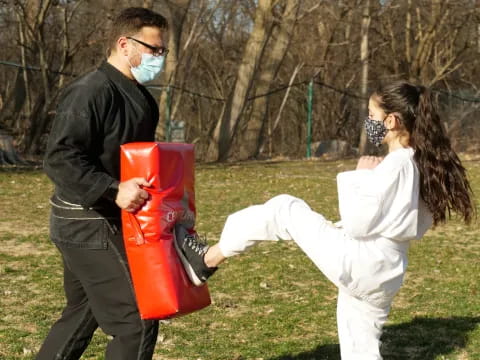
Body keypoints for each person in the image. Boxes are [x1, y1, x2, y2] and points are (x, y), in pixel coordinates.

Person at [174, 81, 475, 359]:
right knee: (360, 342)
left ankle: (207, 260)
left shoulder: (394, 166)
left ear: (392, 121)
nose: (368, 121)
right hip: (388, 271)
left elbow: (359, 223)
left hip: (361, 262)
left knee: (284, 209)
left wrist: (361, 176)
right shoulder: (420, 162)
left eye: (372, 115)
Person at [38, 8, 169, 360]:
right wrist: (114, 190)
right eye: (153, 49)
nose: (159, 58)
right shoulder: (89, 92)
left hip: (112, 219)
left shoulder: (143, 99)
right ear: (124, 44)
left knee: (83, 314)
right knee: (137, 318)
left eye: (163, 51)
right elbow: (60, 158)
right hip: (83, 221)